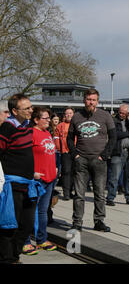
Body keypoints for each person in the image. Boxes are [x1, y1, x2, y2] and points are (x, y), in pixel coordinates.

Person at [0, 94, 44, 264]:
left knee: (27, 225)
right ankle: (8, 258)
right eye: (27, 109)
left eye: (31, 107)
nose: (31, 111)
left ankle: (15, 254)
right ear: (14, 111)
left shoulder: (27, 127)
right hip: (12, 186)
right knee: (10, 225)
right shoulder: (6, 128)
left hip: (28, 185)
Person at [67, 88, 117, 232]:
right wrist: (75, 154)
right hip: (81, 160)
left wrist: (105, 155)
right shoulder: (76, 116)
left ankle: (99, 221)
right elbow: (69, 138)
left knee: (100, 193)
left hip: (99, 160)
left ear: (97, 101)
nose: (91, 102)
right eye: (88, 99)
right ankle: (77, 222)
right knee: (79, 194)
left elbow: (113, 137)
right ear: (84, 100)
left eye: (93, 100)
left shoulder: (105, 116)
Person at [23, 107, 58, 254]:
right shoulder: (31, 133)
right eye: (46, 118)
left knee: (43, 211)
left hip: (49, 178)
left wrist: (55, 168)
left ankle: (42, 239)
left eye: (49, 118)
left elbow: (50, 153)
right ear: (36, 120)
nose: (49, 120)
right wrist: (32, 172)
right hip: (36, 179)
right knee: (29, 211)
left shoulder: (47, 133)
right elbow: (24, 155)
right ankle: (24, 241)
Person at [107, 104, 129, 206]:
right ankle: (110, 197)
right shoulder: (113, 120)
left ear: (128, 113)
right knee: (114, 176)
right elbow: (115, 135)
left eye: (123, 113)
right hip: (118, 151)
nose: (121, 114)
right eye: (120, 112)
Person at [54, 107, 75, 200]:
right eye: (67, 113)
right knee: (66, 172)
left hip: (76, 152)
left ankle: (71, 191)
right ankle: (66, 193)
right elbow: (56, 139)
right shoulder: (60, 126)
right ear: (64, 115)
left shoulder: (76, 125)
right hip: (65, 152)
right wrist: (60, 149)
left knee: (74, 173)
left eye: (70, 113)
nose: (68, 115)